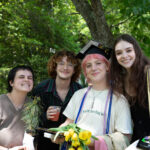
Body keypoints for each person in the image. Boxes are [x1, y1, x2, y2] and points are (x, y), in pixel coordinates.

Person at [57, 40, 132, 150]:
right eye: (88, 65)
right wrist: (60, 131)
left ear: (107, 67)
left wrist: (93, 141)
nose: (93, 68)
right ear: (85, 71)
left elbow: (126, 137)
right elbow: (68, 122)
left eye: (98, 63)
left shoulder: (119, 100)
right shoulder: (78, 95)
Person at [32, 50, 82, 150]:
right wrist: (45, 116)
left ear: (75, 70)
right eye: (61, 63)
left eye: (70, 65)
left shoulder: (80, 91)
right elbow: (30, 120)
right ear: (55, 67)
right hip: (45, 143)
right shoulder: (41, 89)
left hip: (72, 144)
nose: (65, 68)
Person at [110, 34, 150, 148]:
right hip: (137, 140)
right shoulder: (121, 81)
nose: (124, 56)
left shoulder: (148, 73)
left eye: (128, 50)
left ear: (136, 51)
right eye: (119, 53)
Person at [0, 65, 35, 150]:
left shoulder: (32, 105)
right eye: (21, 77)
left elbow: (30, 133)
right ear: (11, 82)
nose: (26, 79)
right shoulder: (1, 102)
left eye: (30, 78)